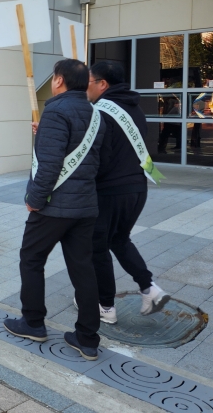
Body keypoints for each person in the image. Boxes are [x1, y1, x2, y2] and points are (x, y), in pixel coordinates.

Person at [4, 59, 105, 362]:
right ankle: (87, 338)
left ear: (59, 80)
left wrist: (35, 198)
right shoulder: (94, 113)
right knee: (83, 268)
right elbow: (82, 153)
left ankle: (33, 322)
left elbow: (50, 165)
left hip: (54, 207)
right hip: (85, 205)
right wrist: (44, 132)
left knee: (31, 259)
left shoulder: (56, 110)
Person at [88, 61, 169, 321]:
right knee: (119, 239)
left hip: (110, 191)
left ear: (103, 84)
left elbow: (101, 155)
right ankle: (150, 288)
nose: (84, 86)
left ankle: (106, 308)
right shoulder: (134, 108)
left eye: (88, 81)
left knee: (97, 247)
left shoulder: (101, 111)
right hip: (137, 188)